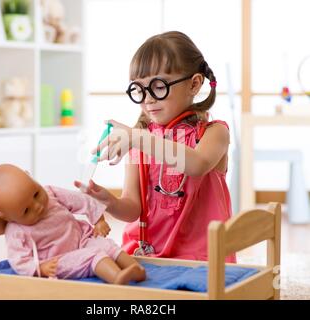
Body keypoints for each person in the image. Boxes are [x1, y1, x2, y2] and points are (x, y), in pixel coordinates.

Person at [75, 31, 236, 262]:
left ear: (194, 84)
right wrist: (107, 201)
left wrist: (137, 138)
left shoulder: (215, 132)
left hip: (202, 260)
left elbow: (197, 165)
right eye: (138, 89)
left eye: (158, 87)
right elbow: (132, 209)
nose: (147, 99)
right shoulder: (139, 138)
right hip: (145, 256)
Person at [0, 164, 146, 284]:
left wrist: (98, 221)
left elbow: (80, 200)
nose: (38, 206)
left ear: (31, 177)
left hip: (82, 240)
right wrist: (39, 268)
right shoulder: (16, 231)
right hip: (59, 260)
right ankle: (117, 278)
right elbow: (18, 259)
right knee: (95, 255)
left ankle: (137, 270)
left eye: (36, 194)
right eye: (26, 211)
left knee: (107, 245)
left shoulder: (51, 193)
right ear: (6, 216)